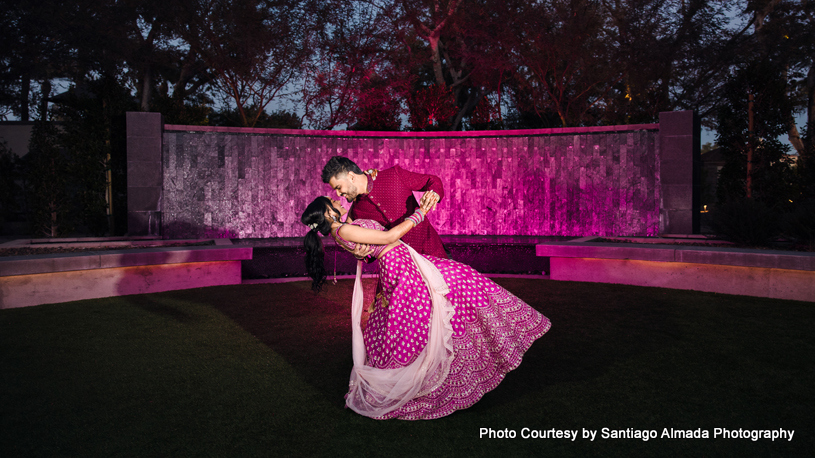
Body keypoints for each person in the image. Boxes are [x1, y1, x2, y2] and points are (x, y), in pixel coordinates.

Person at [301, 196, 551, 420]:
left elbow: (370, 250)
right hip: (402, 269)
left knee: (450, 293)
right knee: (440, 304)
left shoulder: (343, 230)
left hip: (404, 263)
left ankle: (479, 349)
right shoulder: (343, 230)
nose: (339, 200)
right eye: (332, 203)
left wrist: (367, 252)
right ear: (327, 213)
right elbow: (388, 237)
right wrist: (419, 214)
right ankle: (438, 376)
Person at [322, 156, 448, 259]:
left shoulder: (394, 175)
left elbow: (432, 180)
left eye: (338, 187)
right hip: (404, 271)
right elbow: (374, 249)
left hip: (434, 254)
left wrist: (434, 194)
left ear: (351, 177)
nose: (338, 194)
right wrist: (361, 256)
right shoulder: (356, 212)